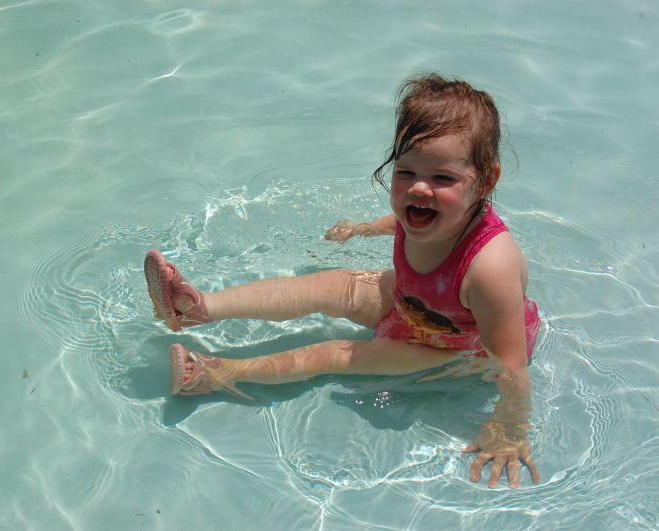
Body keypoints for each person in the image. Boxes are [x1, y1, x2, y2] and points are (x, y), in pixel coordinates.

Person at [143, 73, 541, 488]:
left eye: (443, 178)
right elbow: (402, 220)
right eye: (406, 173)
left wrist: (510, 426)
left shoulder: (489, 268)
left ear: (487, 181)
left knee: (333, 354)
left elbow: (510, 363)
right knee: (322, 286)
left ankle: (215, 374)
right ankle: (199, 308)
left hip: (453, 347)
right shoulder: (424, 211)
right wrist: (366, 227)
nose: (419, 189)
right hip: (413, 302)